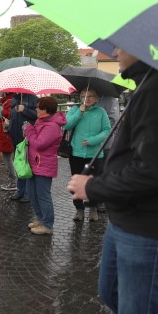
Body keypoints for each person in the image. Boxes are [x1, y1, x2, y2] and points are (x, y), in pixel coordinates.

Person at [67, 47, 158, 314]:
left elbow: (152, 171)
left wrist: (93, 188)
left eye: (121, 44)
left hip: (153, 230)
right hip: (127, 221)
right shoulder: (147, 87)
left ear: (144, 45)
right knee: (111, 294)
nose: (115, 50)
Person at [63, 88, 111, 221]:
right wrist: (79, 112)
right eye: (84, 96)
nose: (87, 98)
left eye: (90, 96)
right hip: (76, 153)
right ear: (80, 97)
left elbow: (107, 130)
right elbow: (66, 125)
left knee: (94, 182)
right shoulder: (75, 109)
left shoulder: (101, 112)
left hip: (95, 154)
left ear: (96, 99)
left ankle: (93, 207)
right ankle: (79, 209)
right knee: (76, 181)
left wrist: (92, 140)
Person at [23, 96, 66, 235]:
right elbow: (34, 139)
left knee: (43, 196)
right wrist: (28, 131)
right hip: (34, 163)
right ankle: (41, 218)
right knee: (32, 193)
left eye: (38, 106)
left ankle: (47, 225)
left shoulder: (52, 126)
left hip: (44, 165)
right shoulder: (41, 120)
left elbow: (39, 144)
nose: (35, 108)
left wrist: (29, 129)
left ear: (45, 109)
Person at [8, 93, 38, 202]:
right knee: (19, 165)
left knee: (27, 166)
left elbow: (37, 115)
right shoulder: (15, 98)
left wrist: (24, 109)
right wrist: (9, 127)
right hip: (15, 138)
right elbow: (13, 116)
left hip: (27, 138)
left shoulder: (34, 99)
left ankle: (28, 193)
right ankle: (20, 190)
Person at [0, 92, 17, 191]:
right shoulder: (5, 101)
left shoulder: (10, 102)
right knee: (8, 159)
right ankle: (14, 180)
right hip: (4, 133)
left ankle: (13, 181)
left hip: (6, 135)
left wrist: (2, 110)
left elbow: (11, 116)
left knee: (8, 159)